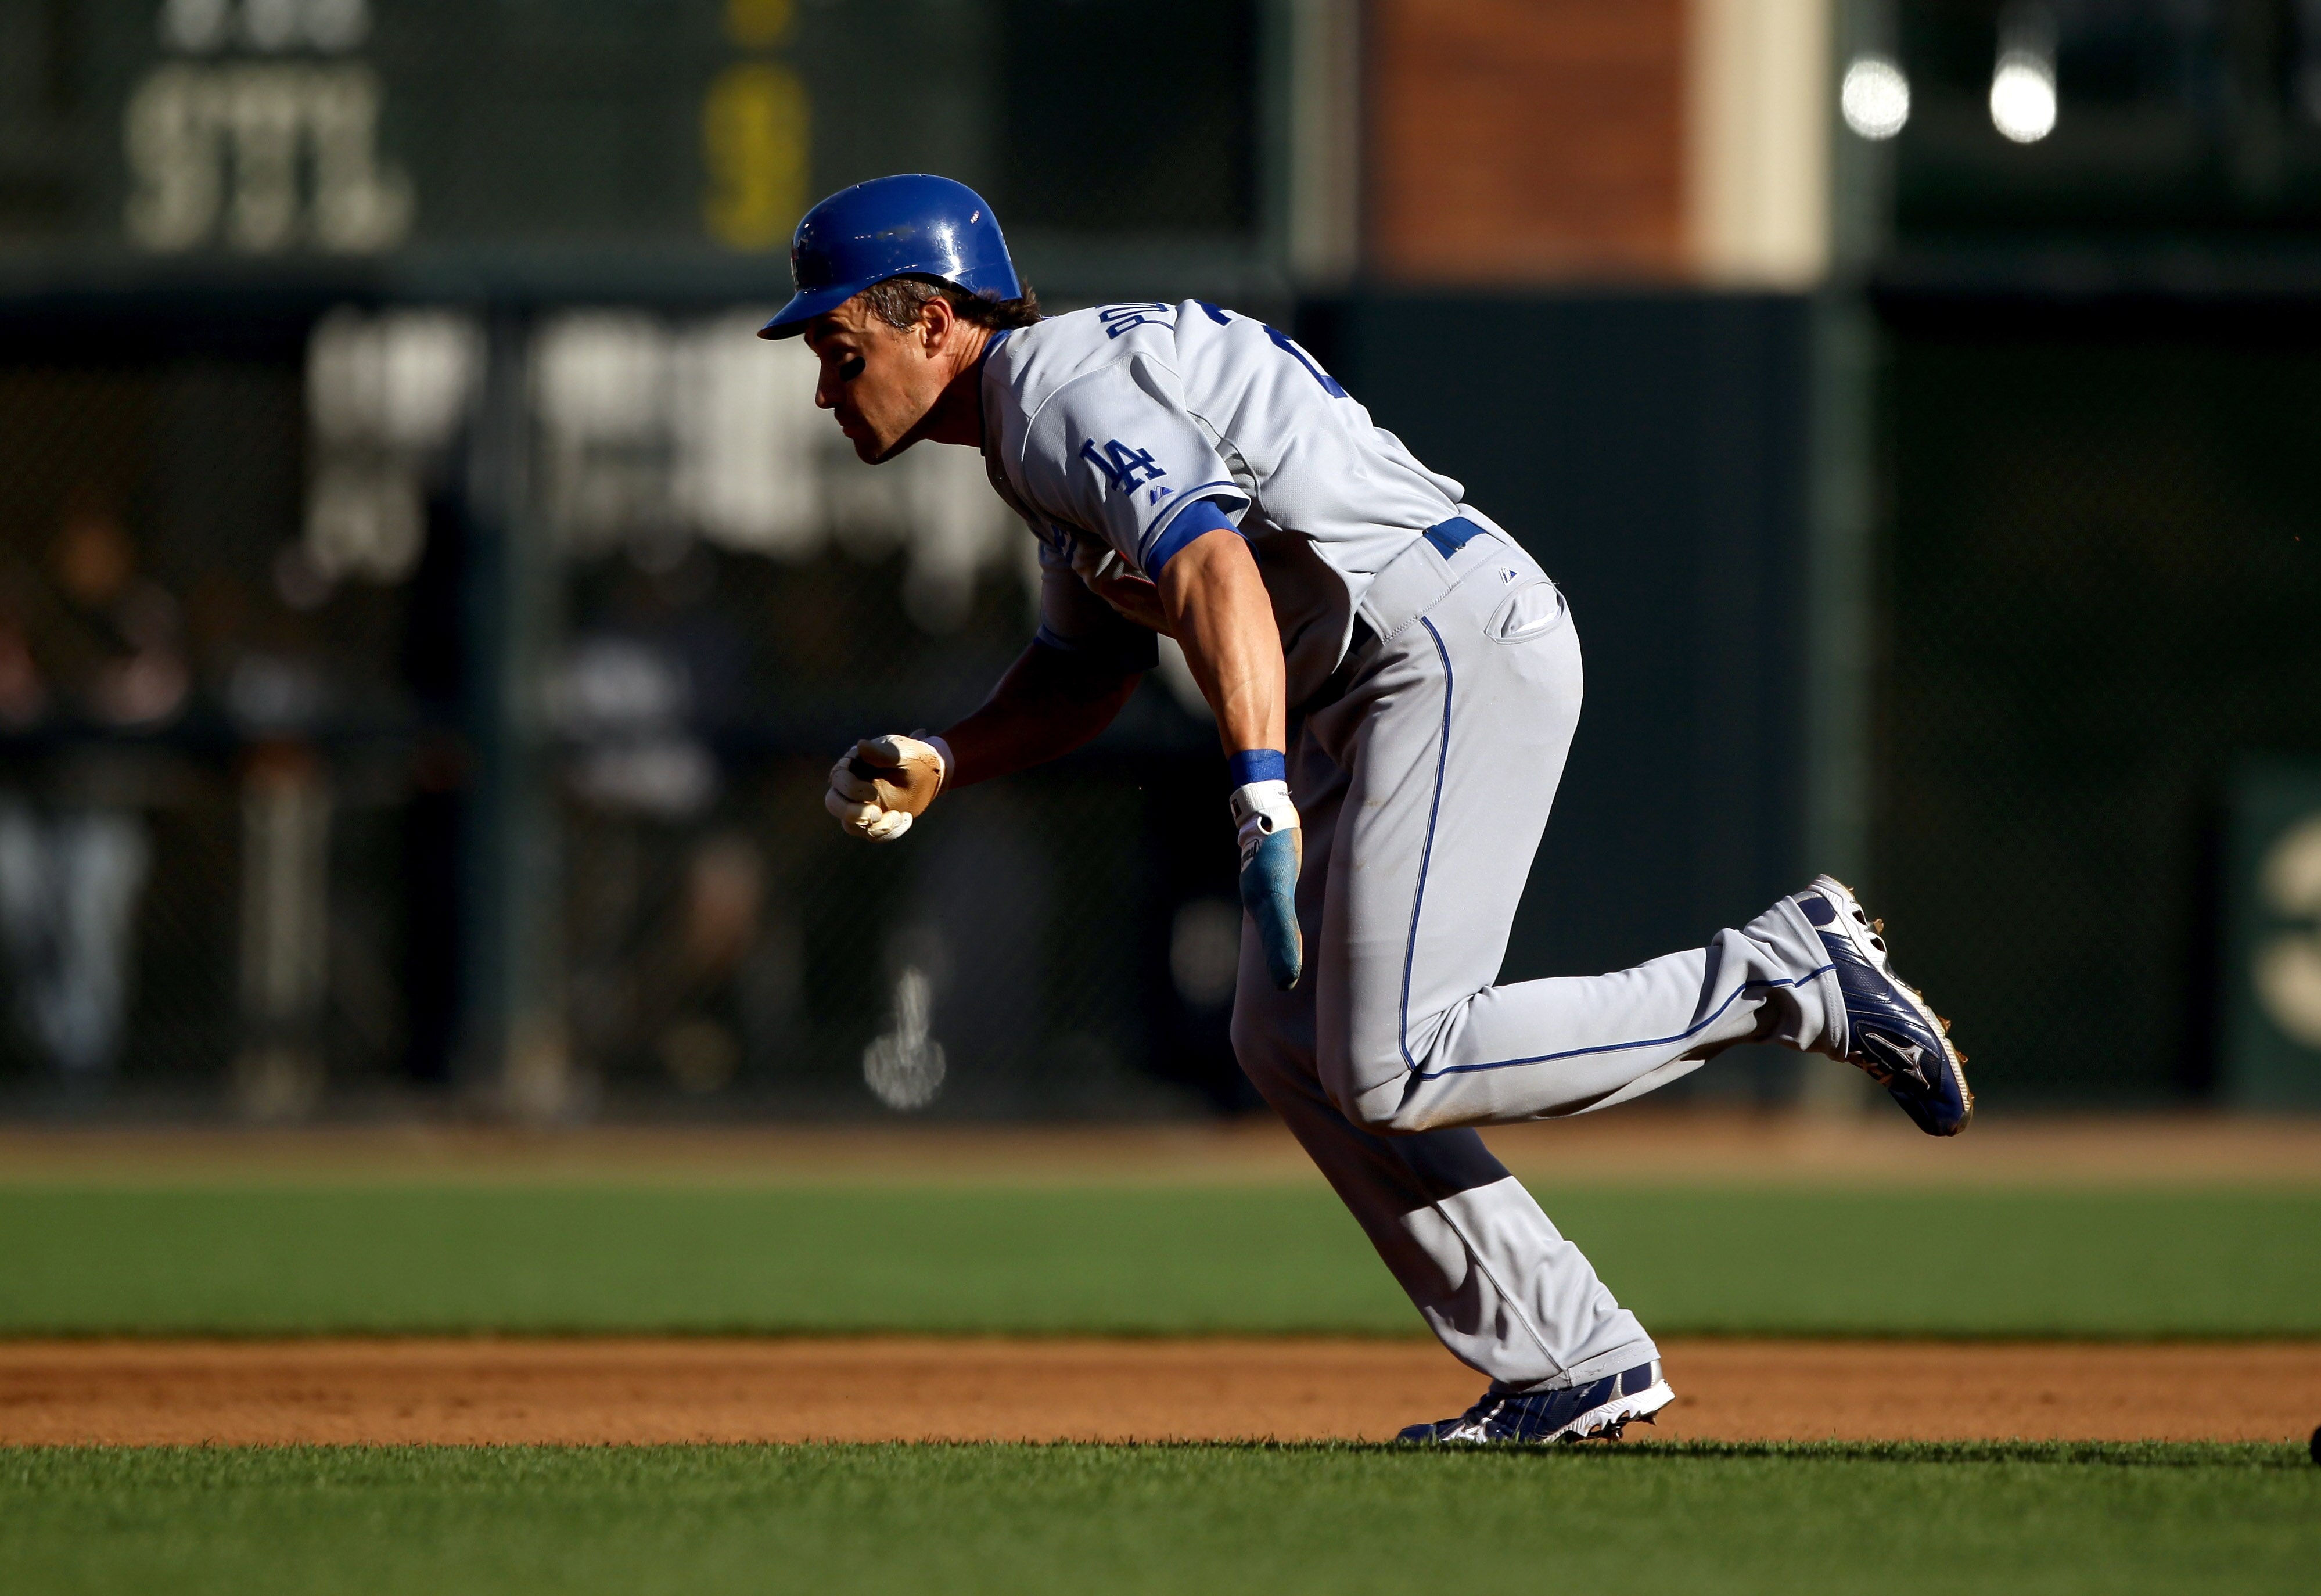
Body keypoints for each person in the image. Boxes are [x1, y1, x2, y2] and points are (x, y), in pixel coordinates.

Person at [777, 175, 1972, 1444]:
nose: (824, 388)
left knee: (1398, 1058)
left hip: (1437, 642)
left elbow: (1211, 566)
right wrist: (951, 758)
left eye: (839, 349)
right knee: (1286, 1041)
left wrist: (1258, 799)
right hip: (1391, 670)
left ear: (934, 320)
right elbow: (1086, 673)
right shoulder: (1042, 420)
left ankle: (1786, 977)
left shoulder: (1054, 394)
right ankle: (1570, 1358)